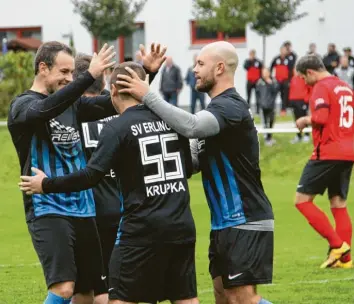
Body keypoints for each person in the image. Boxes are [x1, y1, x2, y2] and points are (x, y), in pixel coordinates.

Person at [19, 61, 199, 304]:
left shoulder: (118, 127)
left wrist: (47, 184)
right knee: (185, 298)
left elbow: (91, 175)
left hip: (141, 229)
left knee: (118, 299)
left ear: (112, 91)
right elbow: (187, 168)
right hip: (182, 225)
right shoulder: (171, 121)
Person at [117, 41, 274, 304]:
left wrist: (148, 94)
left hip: (245, 219)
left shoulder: (231, 107)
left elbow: (191, 126)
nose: (195, 70)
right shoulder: (215, 111)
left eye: (200, 64)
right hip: (223, 223)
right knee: (223, 295)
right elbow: (190, 163)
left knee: (241, 298)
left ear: (220, 67)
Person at [8, 41, 116, 304]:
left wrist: (146, 72)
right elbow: (47, 109)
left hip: (84, 207)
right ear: (42, 68)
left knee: (87, 292)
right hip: (47, 207)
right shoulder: (23, 105)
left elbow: (111, 105)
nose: (70, 78)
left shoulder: (74, 105)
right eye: (64, 72)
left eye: (72, 73)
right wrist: (89, 76)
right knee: (63, 288)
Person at [295, 54, 353, 269]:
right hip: (348, 151)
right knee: (339, 204)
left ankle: (338, 246)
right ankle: (345, 260)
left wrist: (304, 120)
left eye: (303, 77)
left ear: (310, 72)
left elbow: (321, 118)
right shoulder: (345, 86)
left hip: (328, 151)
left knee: (301, 200)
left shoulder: (322, 86)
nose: (303, 82)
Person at [74, 53, 121, 304]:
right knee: (111, 287)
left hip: (86, 211)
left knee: (86, 288)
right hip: (120, 208)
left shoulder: (69, 116)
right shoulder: (116, 112)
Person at [256, 67, 278, 146]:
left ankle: (270, 137)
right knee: (264, 123)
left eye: (266, 72)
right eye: (263, 72)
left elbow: (276, 91)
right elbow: (257, 94)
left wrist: (270, 83)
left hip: (271, 105)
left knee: (271, 121)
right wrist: (258, 105)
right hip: (263, 106)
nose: (264, 74)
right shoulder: (259, 82)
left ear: (269, 73)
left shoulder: (273, 81)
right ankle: (266, 139)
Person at [288, 68, 311, 143]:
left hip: (302, 101)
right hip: (294, 102)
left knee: (304, 118)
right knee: (296, 119)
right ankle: (298, 135)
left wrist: (306, 100)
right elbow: (291, 90)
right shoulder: (293, 79)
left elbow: (309, 89)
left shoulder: (304, 79)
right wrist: (290, 101)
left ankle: (307, 135)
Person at [270, 46, 291, 116]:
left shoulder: (288, 60)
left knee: (284, 96)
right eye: (282, 50)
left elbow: (291, 71)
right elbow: (271, 67)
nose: (283, 51)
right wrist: (271, 78)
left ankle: (283, 110)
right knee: (274, 95)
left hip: (285, 81)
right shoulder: (276, 59)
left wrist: (289, 80)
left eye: (284, 50)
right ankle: (272, 108)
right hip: (277, 80)